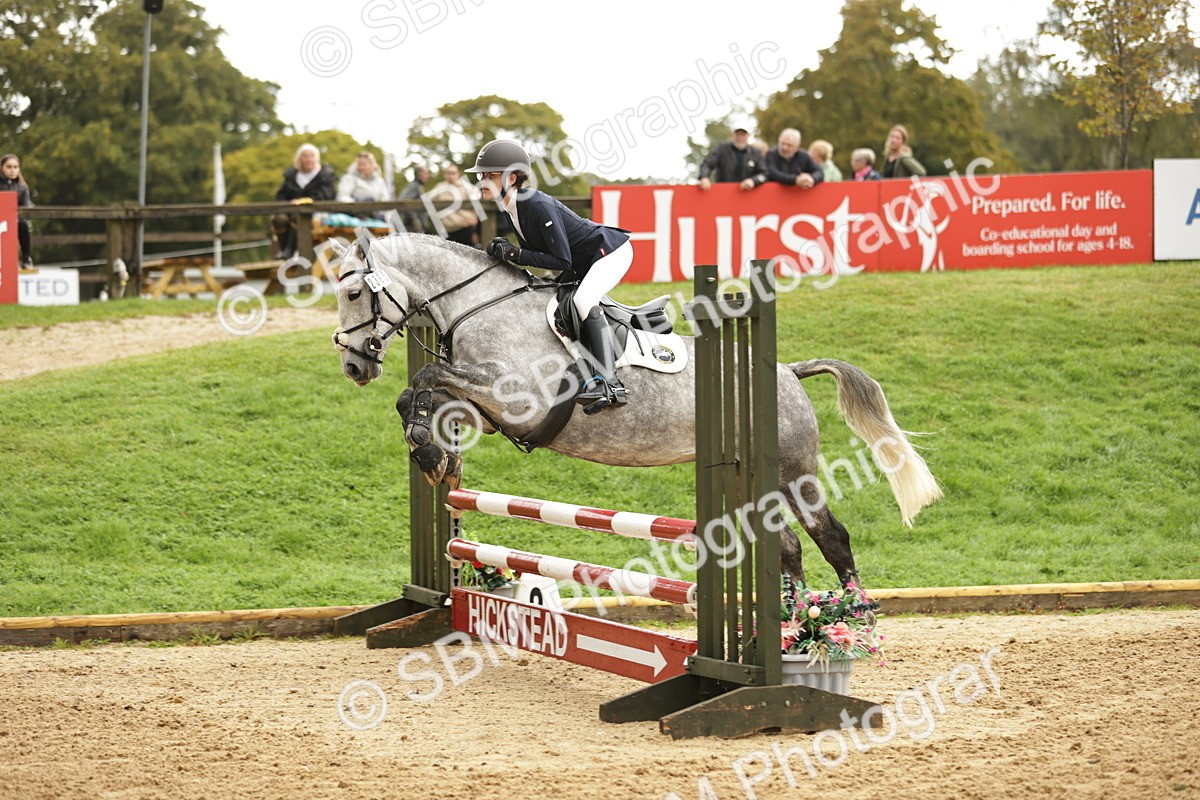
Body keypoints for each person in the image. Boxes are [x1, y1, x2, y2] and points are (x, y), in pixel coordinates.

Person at [466, 139, 631, 414]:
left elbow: (560, 259)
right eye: (482, 175)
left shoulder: (534, 203)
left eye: (490, 175)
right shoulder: (512, 207)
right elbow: (539, 254)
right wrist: (508, 253)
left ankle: (610, 383)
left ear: (512, 177)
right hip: (582, 262)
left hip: (609, 252)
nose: (482, 180)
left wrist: (514, 254)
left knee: (583, 301)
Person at [271, 143, 336, 259]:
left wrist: (308, 200)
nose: (309, 159)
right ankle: (285, 250)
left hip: (316, 212)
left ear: (316, 158)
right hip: (291, 210)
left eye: (311, 156)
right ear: (299, 158)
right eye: (305, 156)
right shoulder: (291, 175)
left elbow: (328, 194)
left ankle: (291, 251)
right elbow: (281, 194)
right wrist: (289, 203)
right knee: (279, 219)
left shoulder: (324, 175)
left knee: (300, 217)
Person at [749, 128, 823, 190]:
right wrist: (795, 180)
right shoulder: (771, 154)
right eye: (782, 143)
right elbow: (772, 173)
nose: (784, 148)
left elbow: (819, 172)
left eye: (789, 145)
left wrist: (811, 179)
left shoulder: (803, 156)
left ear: (797, 148)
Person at [697, 121, 763, 191]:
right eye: (738, 134)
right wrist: (704, 177)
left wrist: (753, 181)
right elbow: (707, 164)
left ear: (748, 136)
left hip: (747, 195)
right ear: (733, 135)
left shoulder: (755, 153)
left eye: (743, 135)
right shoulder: (722, 149)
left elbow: (763, 173)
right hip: (723, 193)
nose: (740, 138)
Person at [426, 163, 480, 248]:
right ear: (444, 174)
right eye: (448, 173)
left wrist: (475, 225)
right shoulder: (440, 187)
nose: (450, 175)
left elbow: (478, 205)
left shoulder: (467, 187)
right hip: (447, 230)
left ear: (458, 174)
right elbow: (427, 200)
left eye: (453, 173)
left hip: (464, 228)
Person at [1, 154, 35, 267]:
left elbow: (27, 205)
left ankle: (26, 257)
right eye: (9, 167)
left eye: (15, 167)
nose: (12, 170)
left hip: (15, 219)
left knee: (23, 224)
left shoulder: (22, 186)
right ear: (2, 168)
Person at [398, 165, 430, 234]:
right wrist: (414, 219)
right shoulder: (413, 186)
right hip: (411, 228)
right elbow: (404, 202)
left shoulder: (419, 186)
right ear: (418, 174)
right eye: (425, 174)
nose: (427, 176)